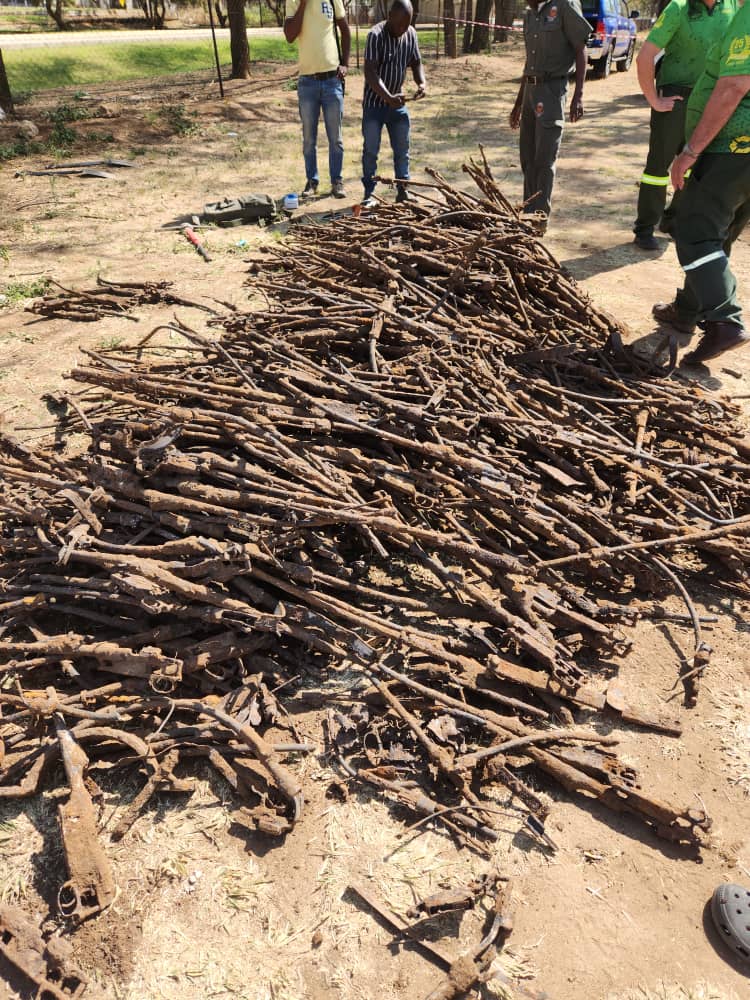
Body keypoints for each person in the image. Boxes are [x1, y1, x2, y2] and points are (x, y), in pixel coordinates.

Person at [655, 1, 750, 364]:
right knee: (720, 234)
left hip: (733, 147)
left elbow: (734, 85)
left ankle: (725, 321)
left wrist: (691, 150)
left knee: (695, 232)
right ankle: (688, 312)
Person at [633, 0, 737, 251]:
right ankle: (645, 227)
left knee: (695, 163)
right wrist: (654, 100)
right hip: (676, 98)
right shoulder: (678, 8)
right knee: (658, 168)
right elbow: (645, 56)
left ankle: (674, 220)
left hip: (710, 100)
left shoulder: (733, 7)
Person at [509, 0, 591, 233]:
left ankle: (539, 218)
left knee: (544, 160)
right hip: (530, 91)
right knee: (528, 158)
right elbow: (529, 62)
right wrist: (518, 104)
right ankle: (527, 213)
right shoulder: (530, 13)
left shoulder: (565, 5)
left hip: (552, 91)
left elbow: (580, 48)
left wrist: (579, 95)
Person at [361, 0, 426, 209]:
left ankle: (403, 190)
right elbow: (370, 72)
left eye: (406, 24)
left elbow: (416, 62)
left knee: (402, 150)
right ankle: (369, 194)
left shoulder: (410, 34)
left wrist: (421, 83)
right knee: (371, 151)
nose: (402, 29)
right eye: (399, 24)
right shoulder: (375, 35)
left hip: (397, 105)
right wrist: (387, 97)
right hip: (374, 105)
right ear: (389, 16)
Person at [284, 0, 351, 199]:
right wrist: (303, 4)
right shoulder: (293, 1)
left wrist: (345, 64)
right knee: (308, 139)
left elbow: (345, 30)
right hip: (307, 83)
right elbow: (290, 35)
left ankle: (337, 181)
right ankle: (312, 182)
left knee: (335, 138)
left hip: (332, 80)